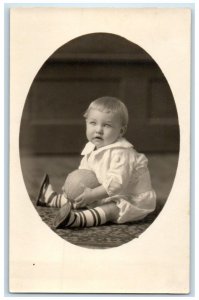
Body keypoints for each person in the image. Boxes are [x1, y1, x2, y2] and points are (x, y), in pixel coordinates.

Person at [36, 96, 156, 229]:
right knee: (81, 196)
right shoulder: (91, 147)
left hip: (129, 198)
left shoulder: (122, 153)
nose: (98, 130)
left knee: (112, 209)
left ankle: (77, 219)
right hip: (103, 191)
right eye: (93, 123)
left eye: (107, 125)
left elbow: (117, 184)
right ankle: (52, 199)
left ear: (121, 131)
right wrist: (70, 187)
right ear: (86, 123)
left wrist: (93, 194)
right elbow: (84, 173)